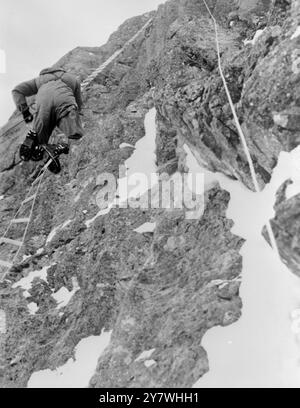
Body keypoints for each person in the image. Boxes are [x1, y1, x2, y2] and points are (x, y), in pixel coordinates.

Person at [12, 67, 84, 173]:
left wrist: (25, 111)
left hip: (43, 105)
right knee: (75, 133)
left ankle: (39, 143)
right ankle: (59, 146)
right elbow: (79, 104)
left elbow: (17, 90)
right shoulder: (72, 78)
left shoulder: (40, 80)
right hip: (64, 103)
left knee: (41, 137)